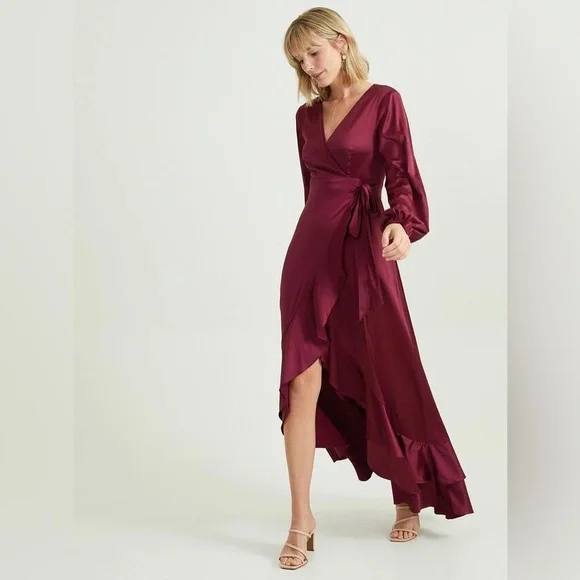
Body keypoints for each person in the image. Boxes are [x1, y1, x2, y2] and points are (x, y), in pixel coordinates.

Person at [277, 7, 474, 570]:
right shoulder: (305, 118)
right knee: (301, 380)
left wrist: (402, 225)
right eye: (299, 61)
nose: (308, 67)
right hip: (309, 256)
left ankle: (408, 492)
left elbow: (402, 175)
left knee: (387, 366)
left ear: (341, 43)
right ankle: (301, 519)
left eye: (313, 53)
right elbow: (311, 192)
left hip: (365, 250)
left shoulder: (384, 100)